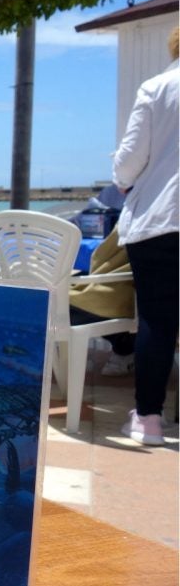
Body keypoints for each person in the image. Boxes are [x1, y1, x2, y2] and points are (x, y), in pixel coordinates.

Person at [111, 26, 179, 446]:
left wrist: (121, 174)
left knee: (157, 317)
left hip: (162, 217)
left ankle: (149, 420)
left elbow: (127, 165)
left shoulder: (157, 88)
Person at [69, 227, 135, 376]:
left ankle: (126, 350)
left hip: (105, 301)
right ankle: (126, 351)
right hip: (129, 300)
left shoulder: (133, 217)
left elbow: (99, 257)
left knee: (57, 307)